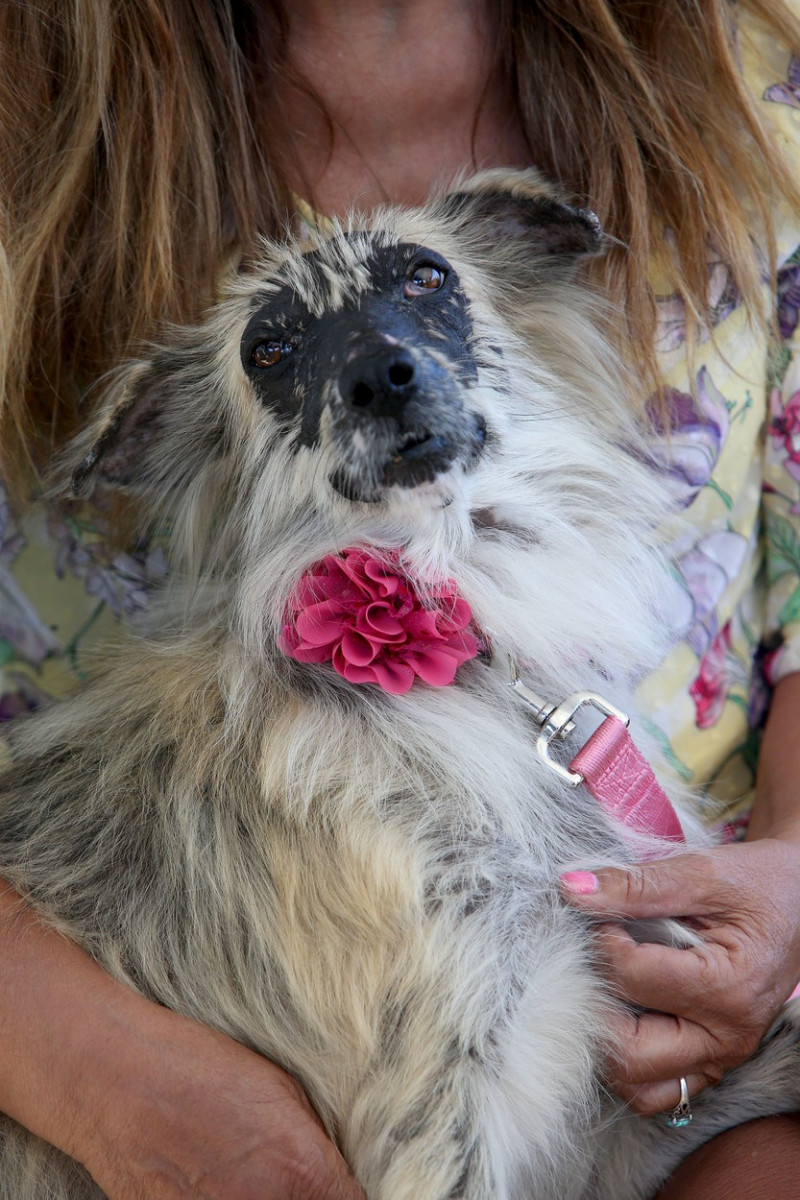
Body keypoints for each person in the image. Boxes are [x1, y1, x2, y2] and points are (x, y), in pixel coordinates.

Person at [1, 2, 800, 1197]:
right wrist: (93, 1068)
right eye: (277, 356)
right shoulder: (25, 119)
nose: (378, 360)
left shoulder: (754, 72)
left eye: (420, 285)